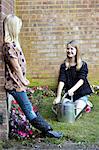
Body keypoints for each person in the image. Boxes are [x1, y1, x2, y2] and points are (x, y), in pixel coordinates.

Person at [3, 14, 63, 138]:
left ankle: (48, 130)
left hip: (18, 84)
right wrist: (23, 80)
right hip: (15, 85)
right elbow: (16, 66)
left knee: (29, 107)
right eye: (18, 27)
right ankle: (48, 131)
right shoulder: (8, 46)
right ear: (13, 28)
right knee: (28, 109)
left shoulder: (13, 44)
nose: (20, 29)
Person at [53, 40, 93, 118]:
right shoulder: (64, 65)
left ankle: (85, 103)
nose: (69, 51)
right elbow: (62, 80)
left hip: (81, 92)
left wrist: (72, 90)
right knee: (64, 109)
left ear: (76, 51)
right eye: (68, 49)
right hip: (69, 94)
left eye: (72, 49)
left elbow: (81, 80)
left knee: (76, 112)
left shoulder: (83, 65)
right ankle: (80, 103)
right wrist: (58, 96)